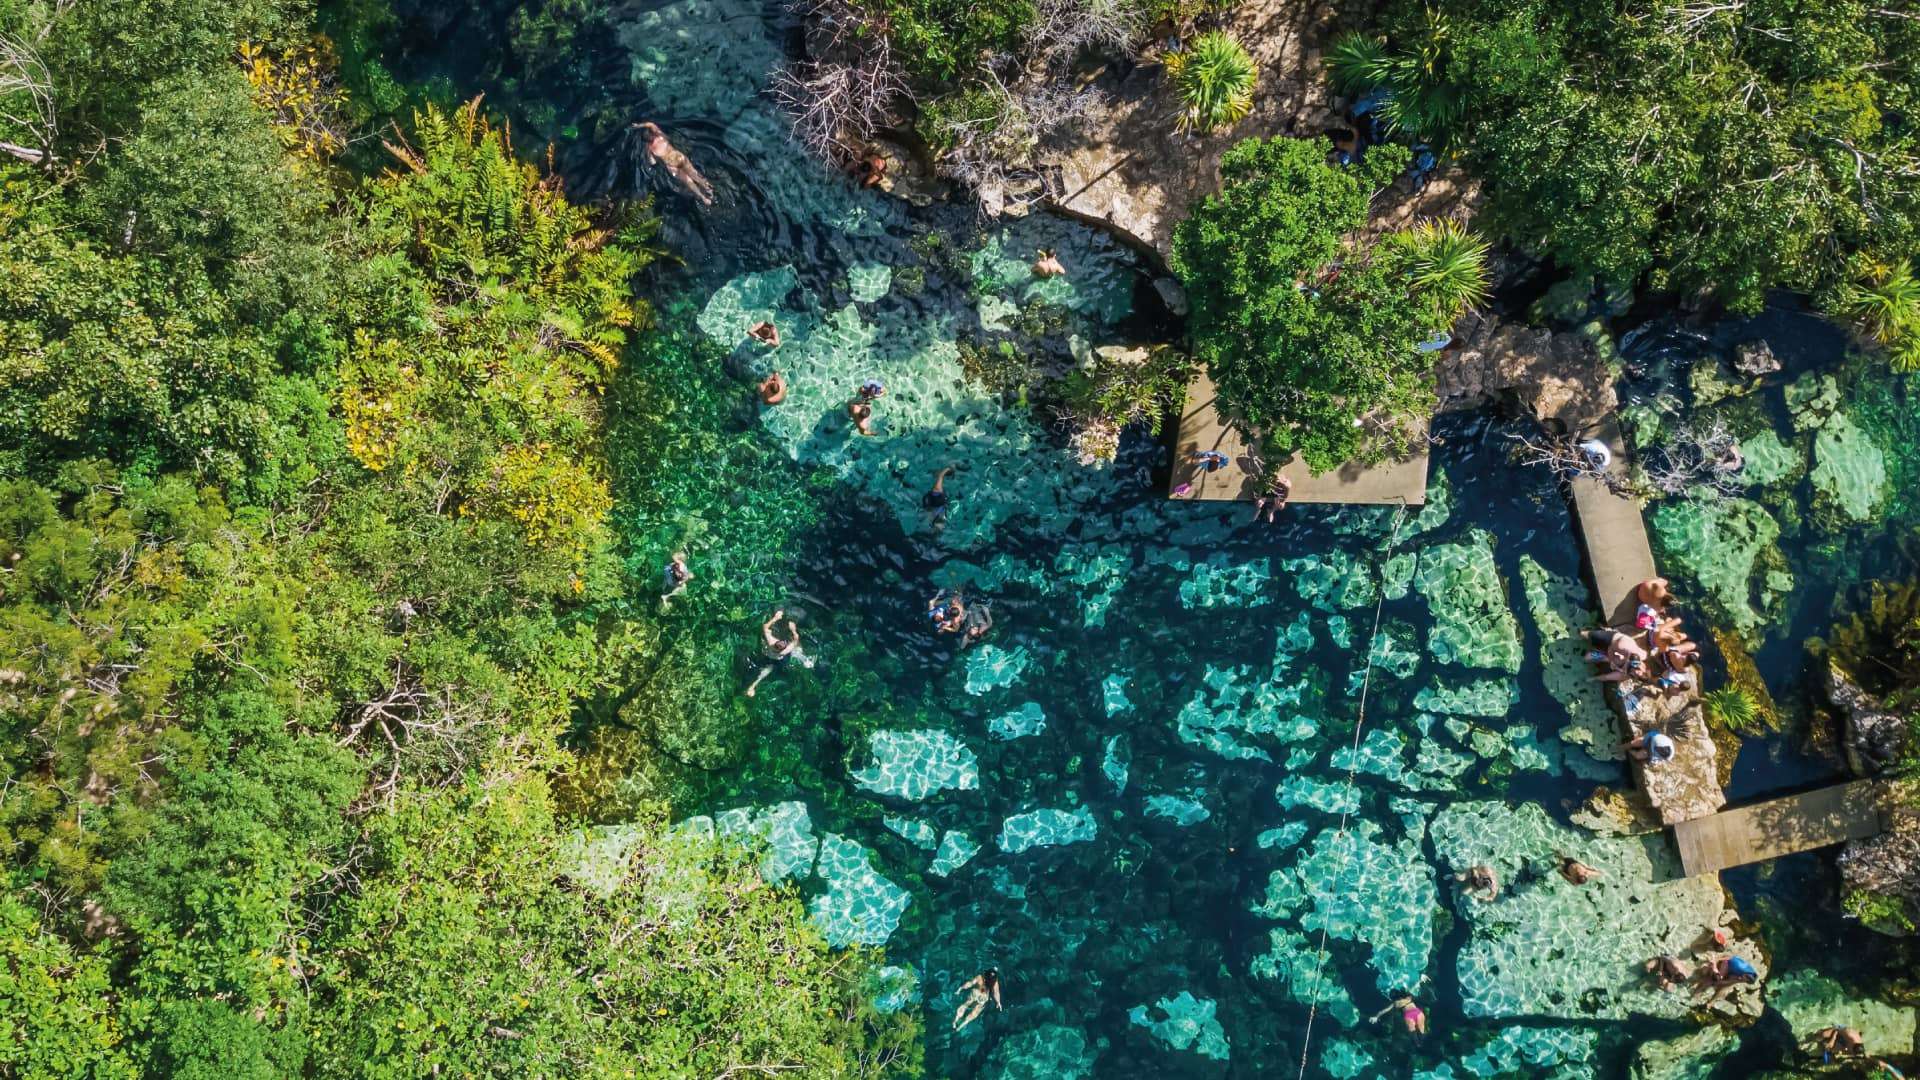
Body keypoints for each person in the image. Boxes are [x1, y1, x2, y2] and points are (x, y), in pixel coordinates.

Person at [633, 121, 715, 206]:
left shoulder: (650, 149)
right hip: (679, 157)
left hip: (672, 166)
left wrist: (649, 151)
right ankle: (708, 189)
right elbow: (651, 124)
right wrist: (638, 125)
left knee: (688, 181)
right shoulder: (660, 135)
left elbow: (652, 163)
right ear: (653, 134)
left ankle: (704, 198)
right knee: (694, 174)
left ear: (646, 141)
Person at [746, 609, 812, 697]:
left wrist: (775, 618)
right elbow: (796, 638)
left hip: (768, 655)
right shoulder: (785, 651)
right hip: (780, 660)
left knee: (767, 670)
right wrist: (793, 629)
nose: (783, 641)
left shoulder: (771, 643)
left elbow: (765, 627)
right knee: (797, 650)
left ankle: (752, 686)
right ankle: (805, 661)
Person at [924, 466, 954, 531]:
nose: (943, 527)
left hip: (935, 500)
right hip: (936, 503)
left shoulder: (937, 496)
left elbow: (941, 476)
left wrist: (948, 469)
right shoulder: (943, 515)